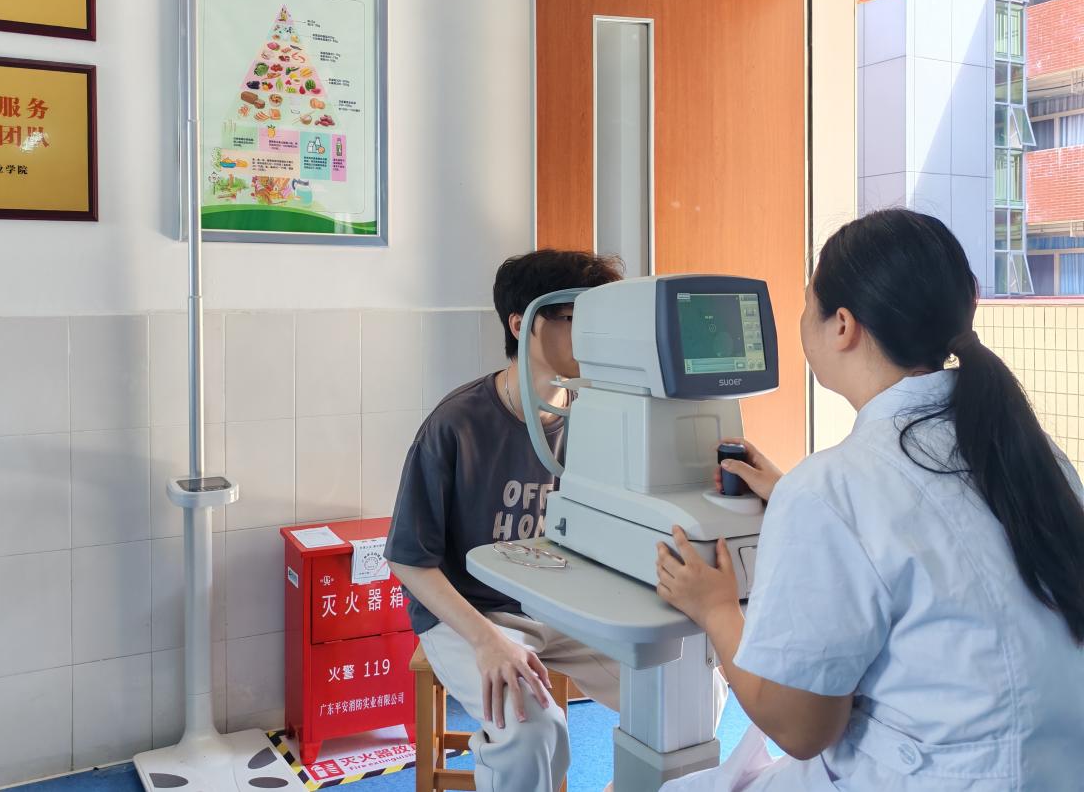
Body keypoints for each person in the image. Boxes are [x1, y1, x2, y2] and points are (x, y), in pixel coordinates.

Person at [654, 209, 1084, 791]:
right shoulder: (1028, 451)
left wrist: (716, 609)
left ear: (842, 326)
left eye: (807, 302)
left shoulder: (832, 490)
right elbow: (939, 530)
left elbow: (801, 728)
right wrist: (797, 497)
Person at [385, 249, 624, 792]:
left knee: (685, 684)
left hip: (566, 607)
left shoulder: (601, 414)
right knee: (532, 729)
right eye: (574, 318)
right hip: (472, 612)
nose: (593, 334)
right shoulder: (456, 425)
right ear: (521, 324)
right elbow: (408, 559)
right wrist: (487, 638)